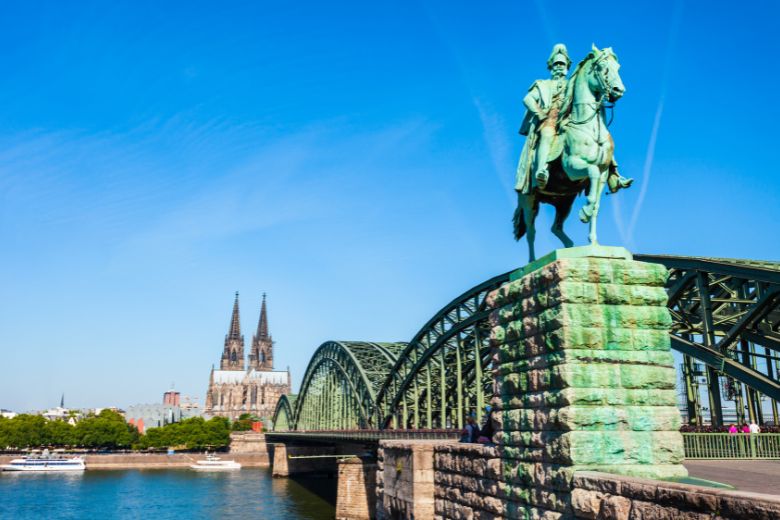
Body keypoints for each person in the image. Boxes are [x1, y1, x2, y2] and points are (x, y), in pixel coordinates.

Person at [518, 43, 571, 191]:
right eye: (556, 64)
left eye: (562, 64)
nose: (559, 67)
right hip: (549, 119)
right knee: (547, 134)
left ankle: (612, 174)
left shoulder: (572, 84)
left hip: (569, 120)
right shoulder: (542, 84)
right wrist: (540, 114)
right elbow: (528, 99)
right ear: (551, 67)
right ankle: (542, 170)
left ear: (567, 67)